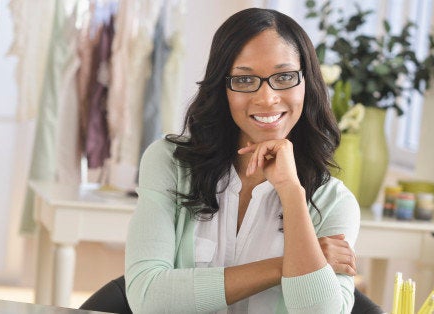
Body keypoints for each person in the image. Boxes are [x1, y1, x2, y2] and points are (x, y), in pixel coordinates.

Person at [124, 7, 361, 313]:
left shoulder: (334, 201)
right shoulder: (170, 162)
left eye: (285, 76)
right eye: (245, 80)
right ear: (222, 87)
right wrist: (283, 266)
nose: (267, 98)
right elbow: (148, 298)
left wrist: (291, 192)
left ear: (307, 83)